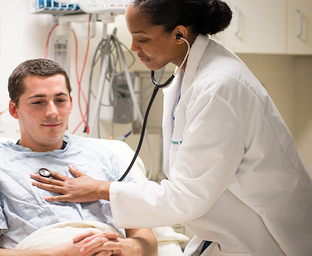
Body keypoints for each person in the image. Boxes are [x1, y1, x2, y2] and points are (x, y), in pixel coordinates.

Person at [30, 1, 312, 256]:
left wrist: (100, 189)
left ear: (179, 35)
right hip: (223, 232)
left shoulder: (219, 86)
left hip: (264, 235)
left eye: (141, 38)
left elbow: (186, 197)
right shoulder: (190, 76)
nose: (133, 47)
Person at [0, 59, 158, 256]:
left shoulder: (107, 158)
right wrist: (62, 253)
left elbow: (147, 241)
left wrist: (123, 247)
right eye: (38, 102)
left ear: (71, 103)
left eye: (60, 100)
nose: (52, 112)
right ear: (13, 110)